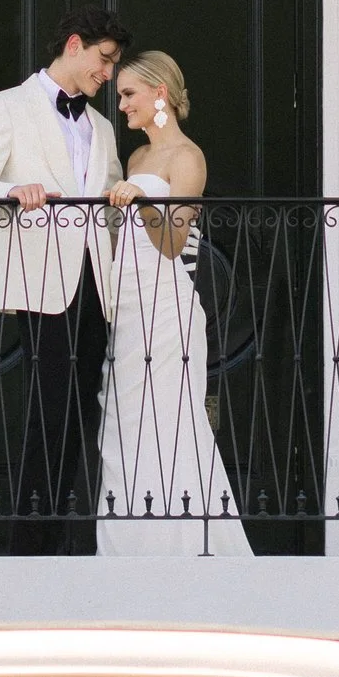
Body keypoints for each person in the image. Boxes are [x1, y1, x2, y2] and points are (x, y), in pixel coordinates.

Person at [0, 7, 125, 554]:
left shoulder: (100, 127)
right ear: (75, 44)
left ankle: (62, 539)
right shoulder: (6, 107)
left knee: (80, 410)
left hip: (98, 285)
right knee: (49, 408)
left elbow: (113, 203)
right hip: (41, 280)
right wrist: (11, 191)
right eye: (105, 59)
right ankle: (32, 547)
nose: (109, 74)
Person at [97, 54, 251, 558]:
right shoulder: (136, 159)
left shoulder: (188, 159)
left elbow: (171, 242)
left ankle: (185, 548)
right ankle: (130, 549)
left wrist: (142, 205)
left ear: (159, 93)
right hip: (127, 308)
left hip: (167, 311)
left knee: (170, 423)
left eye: (128, 95)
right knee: (125, 430)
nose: (120, 106)